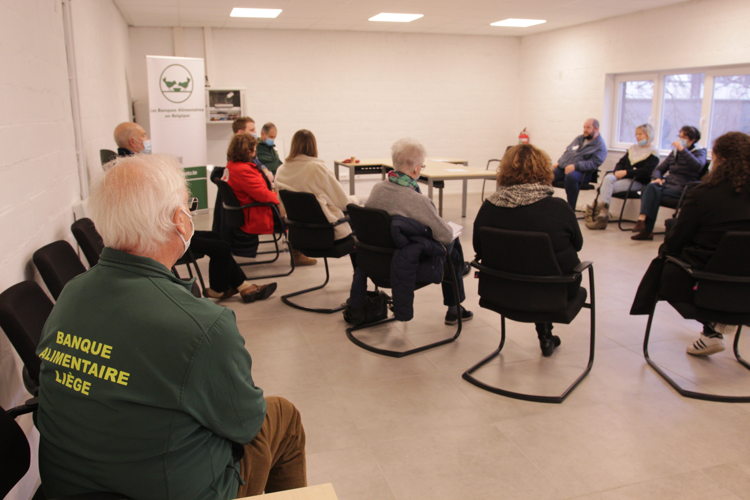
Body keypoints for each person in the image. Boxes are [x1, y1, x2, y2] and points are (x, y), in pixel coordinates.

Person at [35, 154, 306, 499]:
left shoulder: (72, 292)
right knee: (282, 414)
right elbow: (245, 423)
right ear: (180, 220)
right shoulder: (202, 325)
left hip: (69, 489)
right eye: (189, 206)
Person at [113, 124, 276, 302]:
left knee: (218, 239)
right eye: (144, 135)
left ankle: (231, 288)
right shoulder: (131, 172)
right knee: (220, 246)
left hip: (161, 230)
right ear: (133, 141)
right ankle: (234, 287)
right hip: (159, 236)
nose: (147, 138)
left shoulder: (126, 167)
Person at [631, 131, 750, 355]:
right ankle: (716, 327)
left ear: (720, 159)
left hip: (706, 278)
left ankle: (712, 328)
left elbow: (677, 240)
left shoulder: (703, 194)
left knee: (665, 266)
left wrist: (665, 253)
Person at [474, 144, 583, 356]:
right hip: (554, 293)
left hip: (499, 290)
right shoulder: (558, 208)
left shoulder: (489, 206)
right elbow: (577, 244)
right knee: (542, 268)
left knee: (529, 266)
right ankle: (545, 333)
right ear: (544, 170)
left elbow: (479, 247)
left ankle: (545, 333)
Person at [365, 138, 473, 325]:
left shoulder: (377, 189)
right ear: (415, 169)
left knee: (450, 251)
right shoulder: (417, 200)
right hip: (407, 266)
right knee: (452, 243)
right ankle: (455, 307)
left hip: (376, 261)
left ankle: (458, 271)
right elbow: (445, 235)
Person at [224, 133, 316, 266]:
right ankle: (297, 254)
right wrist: (283, 198)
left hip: (253, 210)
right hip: (258, 214)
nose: (256, 152)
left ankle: (298, 251)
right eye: (254, 149)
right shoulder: (244, 170)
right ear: (247, 150)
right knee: (297, 213)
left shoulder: (232, 166)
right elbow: (263, 195)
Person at [275, 129, 357, 244]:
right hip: (325, 233)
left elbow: (282, 207)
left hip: (297, 233)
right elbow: (343, 202)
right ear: (314, 146)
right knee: (360, 219)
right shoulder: (317, 168)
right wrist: (357, 200)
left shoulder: (281, 170)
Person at [631, 125, 706, 240]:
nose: (680, 139)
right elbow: (659, 169)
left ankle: (645, 227)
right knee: (651, 187)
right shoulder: (675, 152)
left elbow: (698, 166)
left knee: (650, 191)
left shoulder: (700, 152)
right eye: (679, 136)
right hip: (668, 184)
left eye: (683, 137)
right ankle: (644, 225)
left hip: (683, 187)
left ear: (692, 139)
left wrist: (683, 150)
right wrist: (657, 177)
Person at [587, 124, 659, 229]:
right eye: (636, 134)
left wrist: (627, 172)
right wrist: (618, 171)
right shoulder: (632, 149)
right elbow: (621, 163)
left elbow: (645, 172)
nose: (637, 137)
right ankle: (603, 212)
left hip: (637, 181)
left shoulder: (653, 152)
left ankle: (601, 214)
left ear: (648, 135)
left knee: (605, 187)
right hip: (622, 177)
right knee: (608, 178)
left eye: (640, 134)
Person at [553, 118, 608, 209]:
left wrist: (576, 166)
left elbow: (594, 163)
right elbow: (568, 152)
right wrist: (559, 163)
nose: (585, 130)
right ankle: (547, 205)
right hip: (564, 168)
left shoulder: (600, 146)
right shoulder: (579, 138)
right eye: (584, 127)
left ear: (596, 129)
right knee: (547, 174)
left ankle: (571, 208)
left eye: (588, 128)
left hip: (583, 173)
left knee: (571, 176)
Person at [233, 116, 274, 182]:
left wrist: (265, 171)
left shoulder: (250, 152)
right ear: (240, 133)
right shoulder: (240, 156)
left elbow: (258, 163)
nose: (255, 133)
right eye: (252, 130)